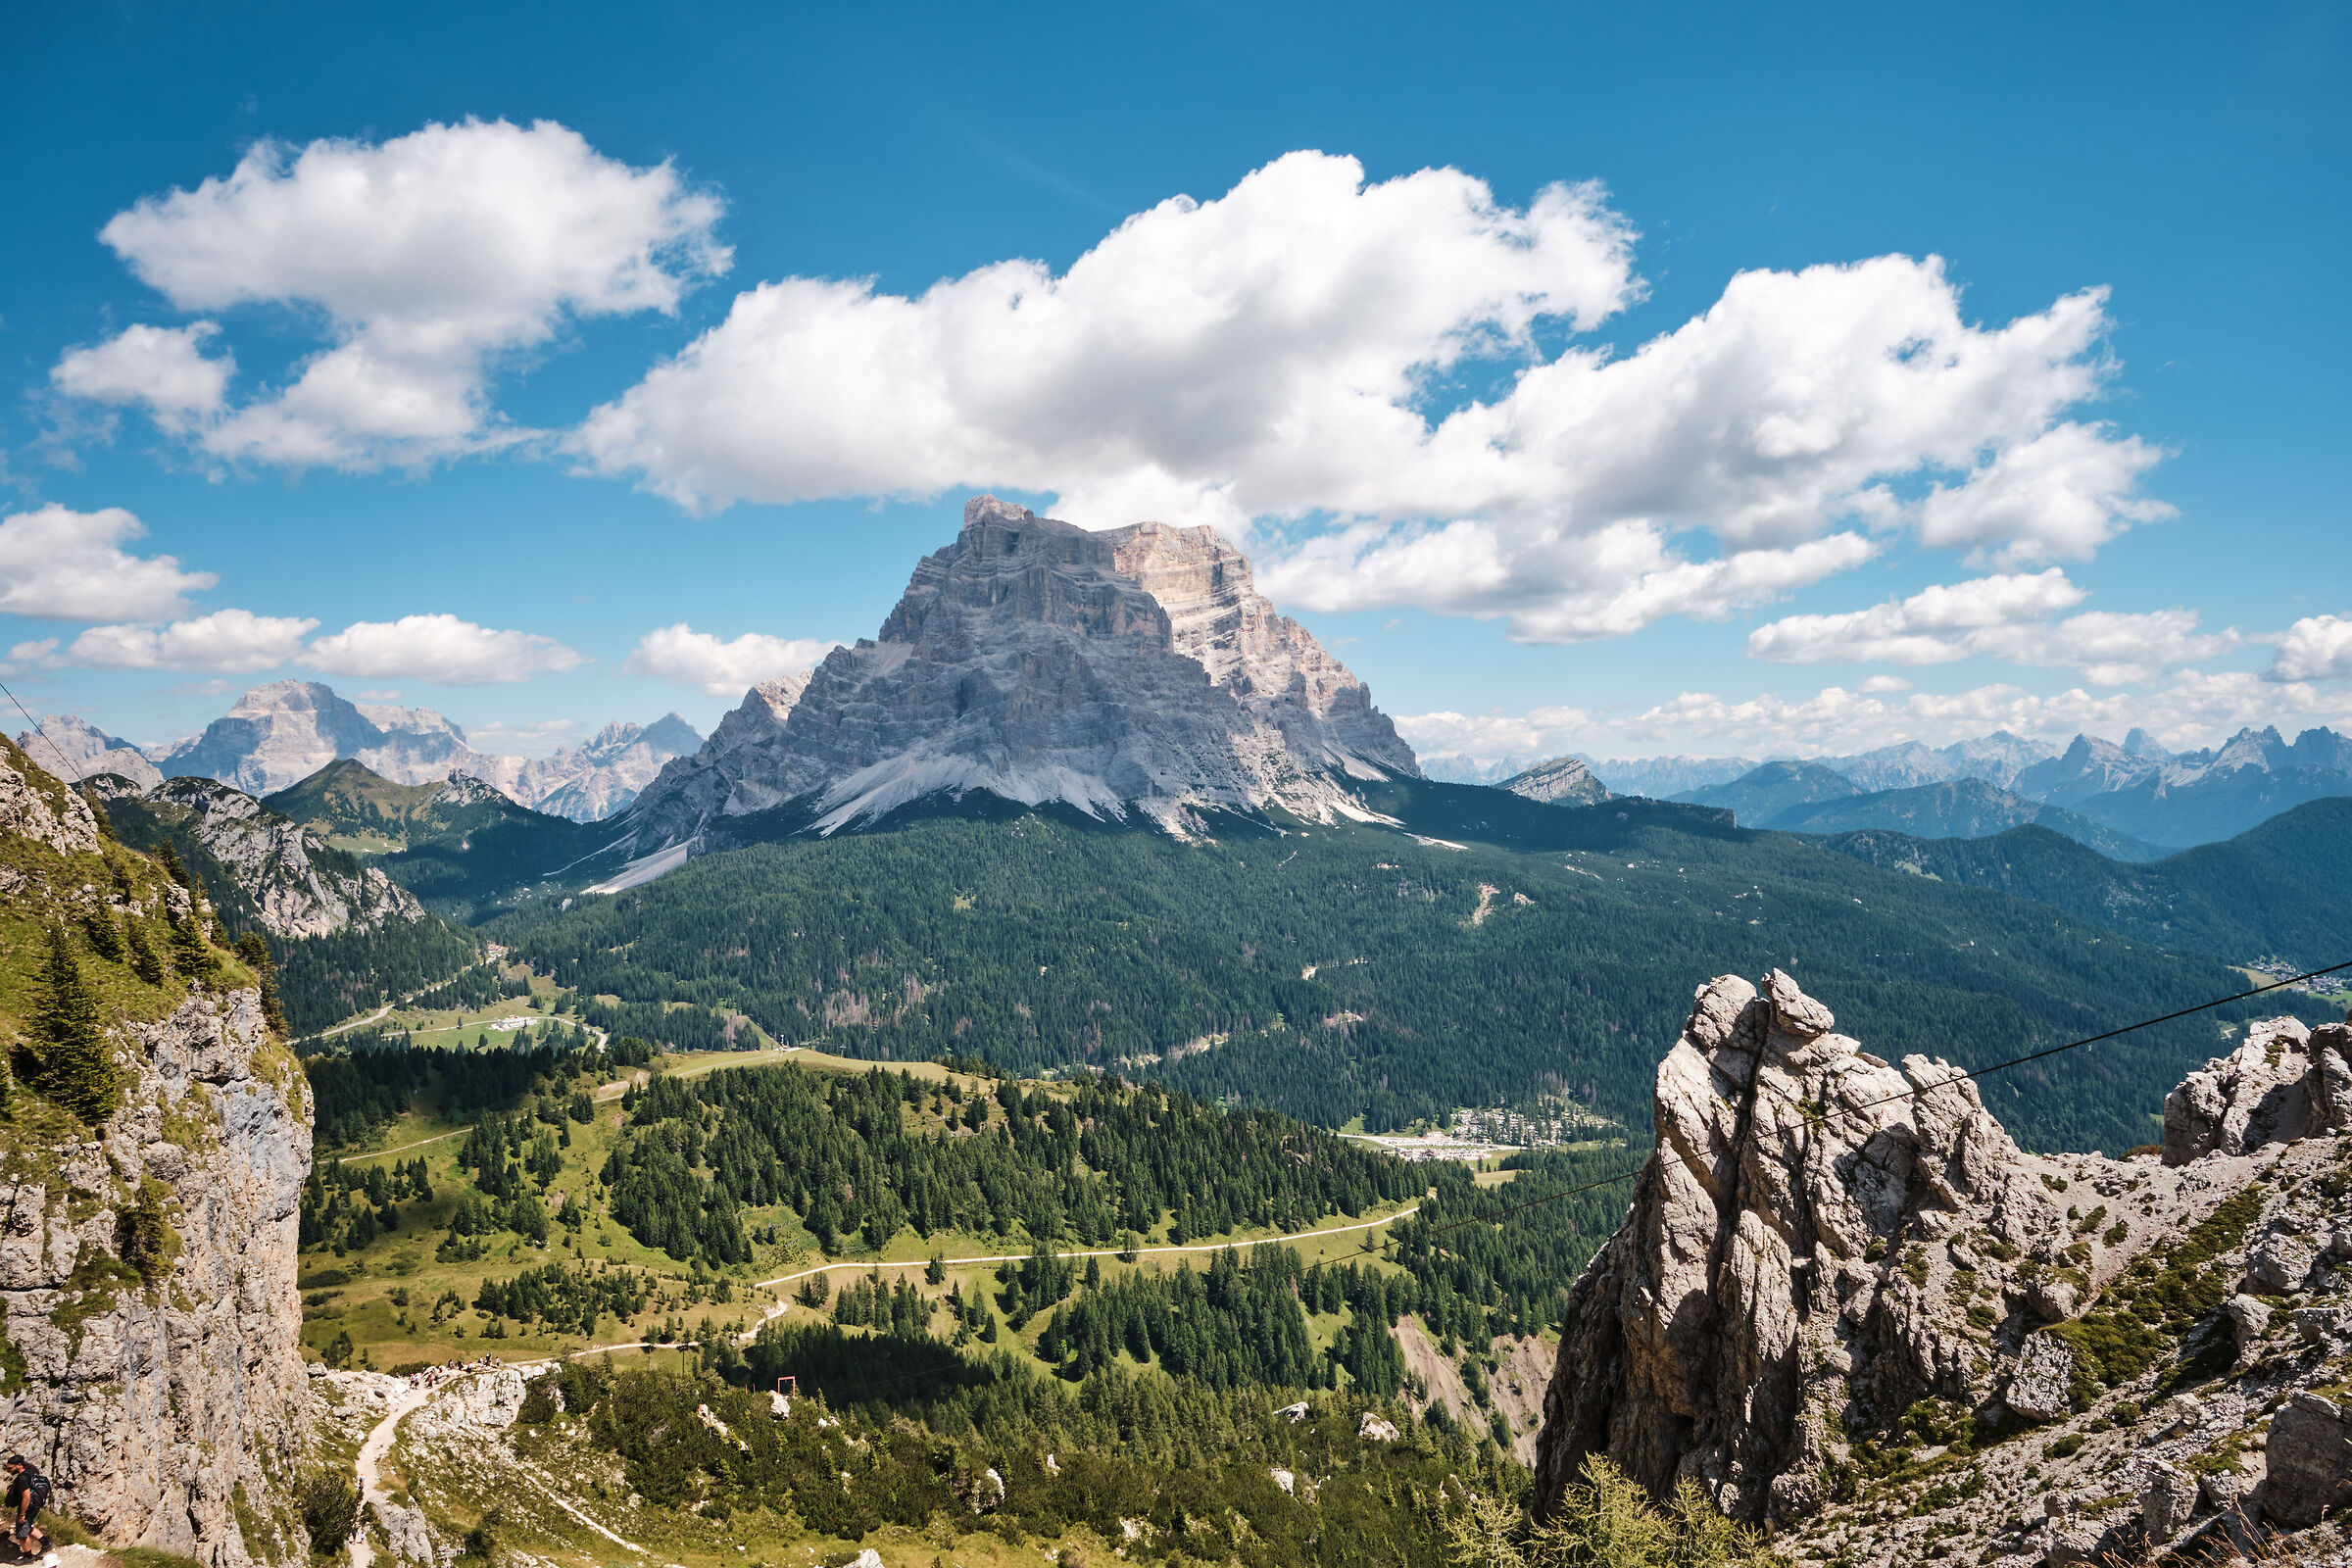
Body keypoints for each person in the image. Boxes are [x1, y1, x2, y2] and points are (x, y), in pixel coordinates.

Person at [3, 1455, 50, 1561]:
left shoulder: (22, 1479)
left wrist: (22, 1515)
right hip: (37, 1503)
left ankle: (28, 1557)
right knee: (27, 1526)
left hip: (27, 1506)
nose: (9, 1471)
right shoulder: (32, 1469)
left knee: (21, 1533)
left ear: (19, 1465)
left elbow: (26, 1497)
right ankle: (46, 1543)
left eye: (10, 1468)